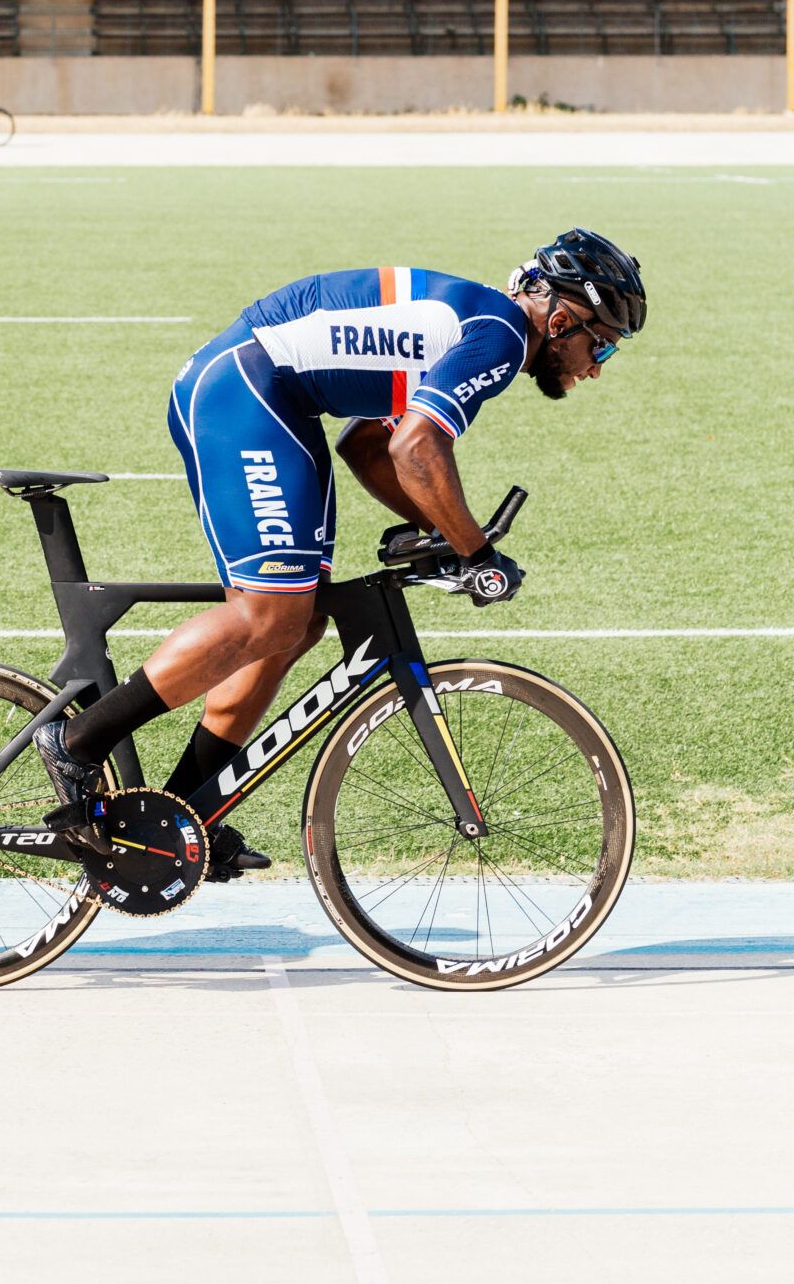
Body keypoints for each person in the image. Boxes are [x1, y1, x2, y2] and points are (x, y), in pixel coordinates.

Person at [38, 228, 646, 880]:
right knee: (270, 616)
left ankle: (182, 813)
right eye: (601, 342)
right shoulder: (500, 337)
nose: (598, 364)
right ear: (560, 319)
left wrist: (443, 534)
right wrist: (473, 550)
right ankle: (78, 742)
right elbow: (417, 450)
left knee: (294, 626)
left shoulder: (483, 324)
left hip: (270, 397)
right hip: (247, 391)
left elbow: (368, 447)